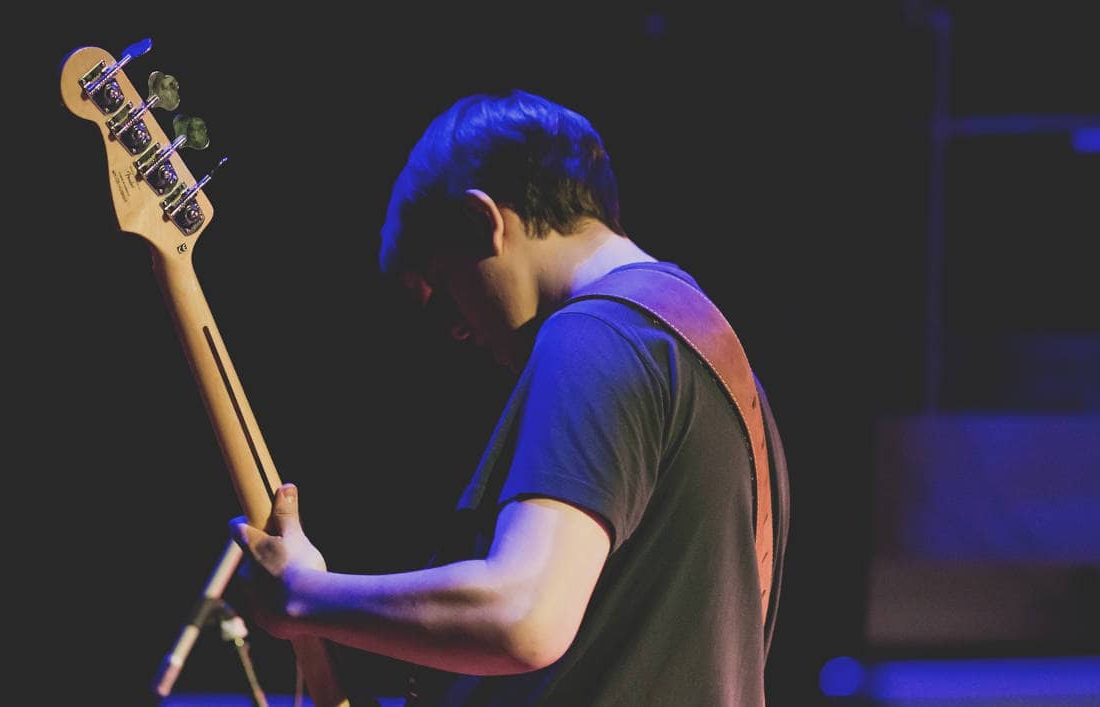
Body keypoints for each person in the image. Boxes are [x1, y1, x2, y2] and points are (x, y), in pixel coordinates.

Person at [229, 89, 790, 706]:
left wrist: (305, 594)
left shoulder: (594, 337)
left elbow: (525, 617)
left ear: (482, 220)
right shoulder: (708, 354)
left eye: (441, 287)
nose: (455, 329)